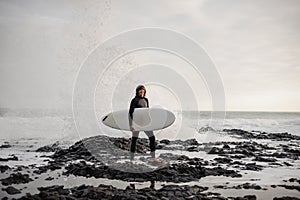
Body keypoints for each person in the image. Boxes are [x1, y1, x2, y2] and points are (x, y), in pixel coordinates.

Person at [128, 85, 162, 163]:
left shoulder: (146, 100)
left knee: (152, 138)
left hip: (146, 123)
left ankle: (153, 158)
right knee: (134, 139)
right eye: (140, 91)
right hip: (137, 122)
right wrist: (131, 125)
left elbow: (147, 112)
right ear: (137, 92)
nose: (142, 93)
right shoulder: (134, 100)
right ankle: (131, 159)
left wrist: (151, 123)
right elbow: (130, 113)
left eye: (143, 91)